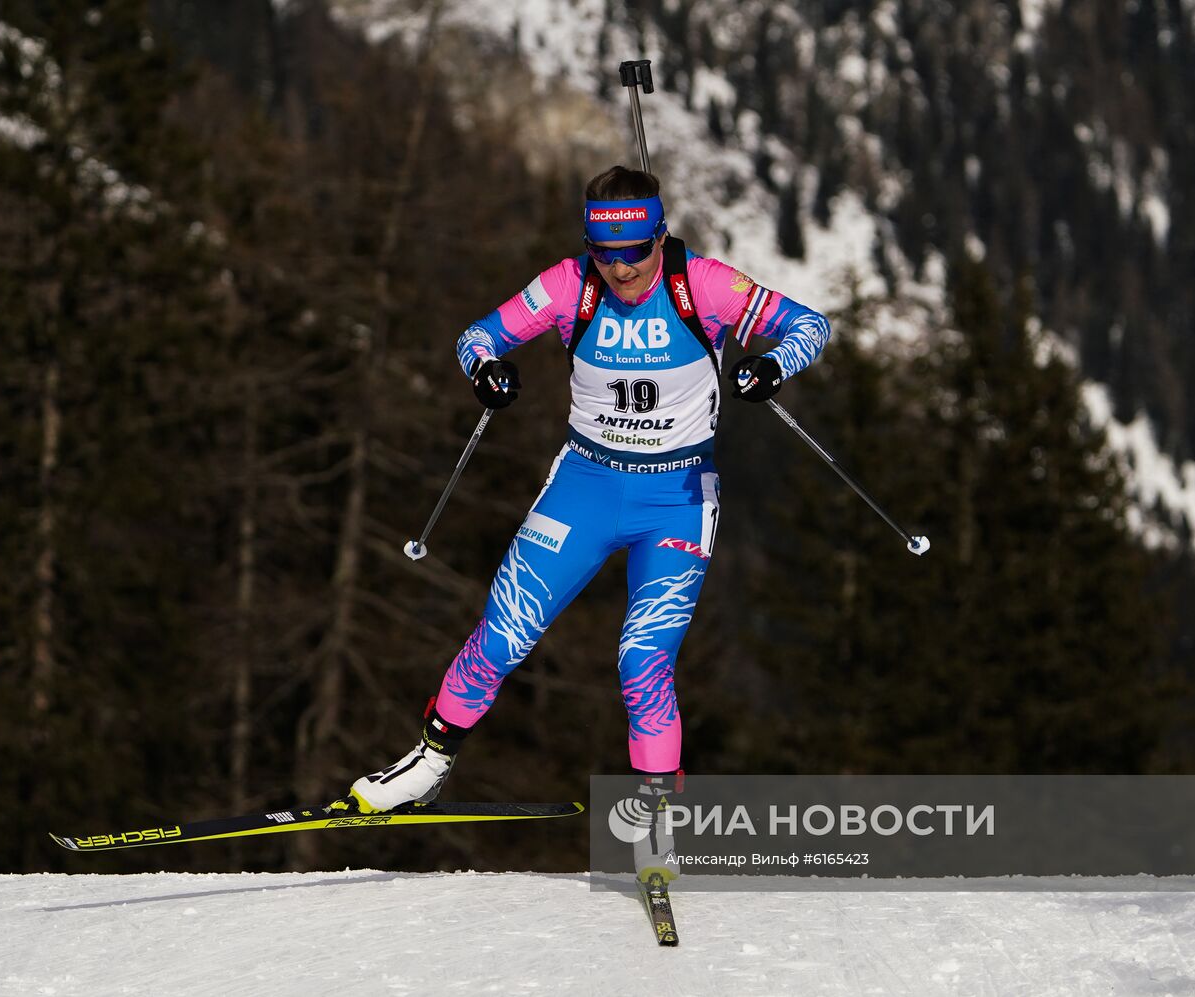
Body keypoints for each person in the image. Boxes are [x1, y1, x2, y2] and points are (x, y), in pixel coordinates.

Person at [329, 166, 831, 878]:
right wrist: (487, 372)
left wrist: (774, 364)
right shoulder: (570, 285)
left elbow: (811, 325)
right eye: (606, 252)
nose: (622, 269)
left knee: (642, 660)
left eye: (637, 251)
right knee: (502, 633)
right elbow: (478, 336)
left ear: (661, 236)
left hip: (677, 497)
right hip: (584, 487)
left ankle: (658, 823)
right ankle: (428, 764)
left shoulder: (707, 286)